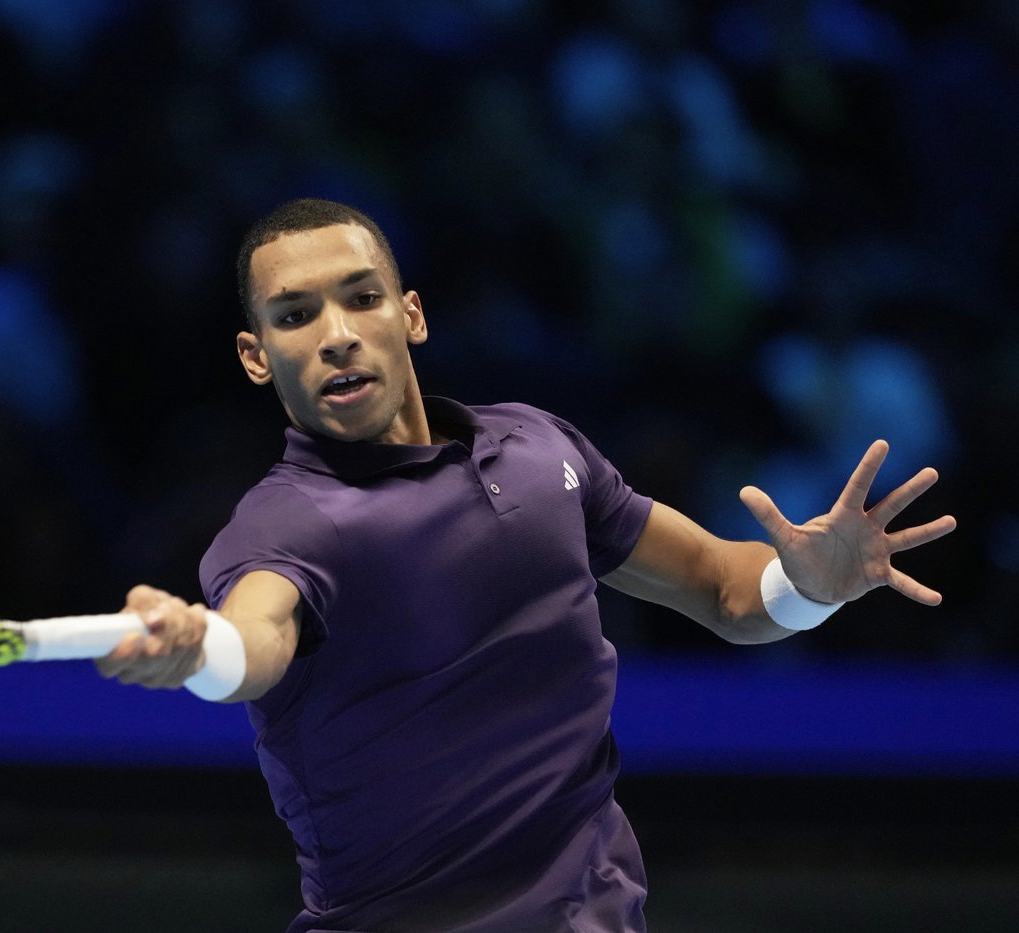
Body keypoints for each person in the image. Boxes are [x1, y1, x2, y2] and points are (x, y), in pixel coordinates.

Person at [95, 198, 955, 932]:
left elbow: (721, 589)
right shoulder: (285, 524)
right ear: (257, 356)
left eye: (362, 299)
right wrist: (201, 652)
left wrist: (805, 589)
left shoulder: (540, 448)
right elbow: (255, 635)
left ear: (412, 315)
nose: (338, 336)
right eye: (295, 315)